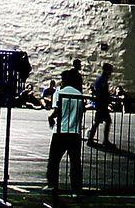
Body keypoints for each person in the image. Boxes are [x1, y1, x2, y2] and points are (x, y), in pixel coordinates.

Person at [46, 70, 85, 201]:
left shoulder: (59, 93)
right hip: (75, 132)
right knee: (75, 162)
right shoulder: (79, 94)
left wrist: (51, 117)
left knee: (54, 160)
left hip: (61, 131)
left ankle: (52, 184)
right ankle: (76, 189)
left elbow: (57, 110)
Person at [87, 63, 115, 147]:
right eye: (110, 70)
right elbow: (101, 92)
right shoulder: (102, 80)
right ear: (106, 70)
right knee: (102, 121)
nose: (111, 72)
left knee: (98, 122)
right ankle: (102, 140)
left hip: (101, 104)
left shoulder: (102, 79)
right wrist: (107, 97)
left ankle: (92, 139)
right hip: (101, 104)